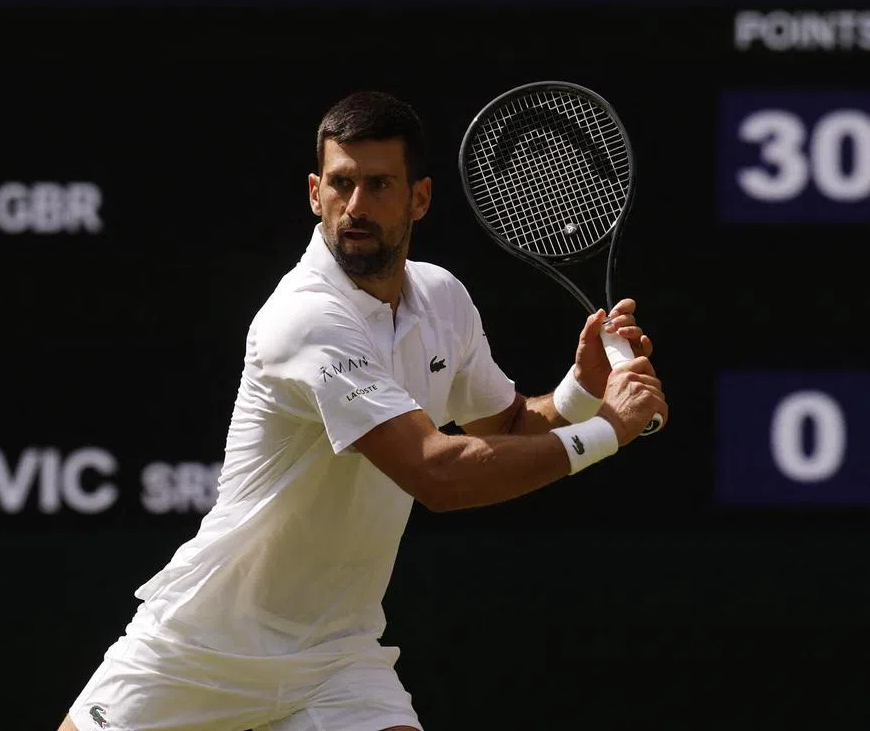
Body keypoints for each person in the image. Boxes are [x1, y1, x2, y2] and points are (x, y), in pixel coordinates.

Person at [59, 91, 667, 731]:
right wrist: (609, 430)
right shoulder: (306, 317)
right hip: (198, 649)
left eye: (379, 185)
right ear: (315, 193)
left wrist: (581, 389)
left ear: (419, 199)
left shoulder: (443, 299)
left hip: (335, 658)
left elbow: (511, 427)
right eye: (342, 184)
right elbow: (438, 474)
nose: (356, 206)